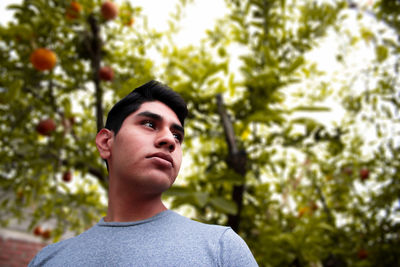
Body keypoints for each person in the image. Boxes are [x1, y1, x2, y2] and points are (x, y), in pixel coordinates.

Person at [29, 80, 258, 266]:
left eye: (177, 136)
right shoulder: (49, 261)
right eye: (149, 124)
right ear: (106, 142)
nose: (169, 140)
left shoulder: (222, 249)